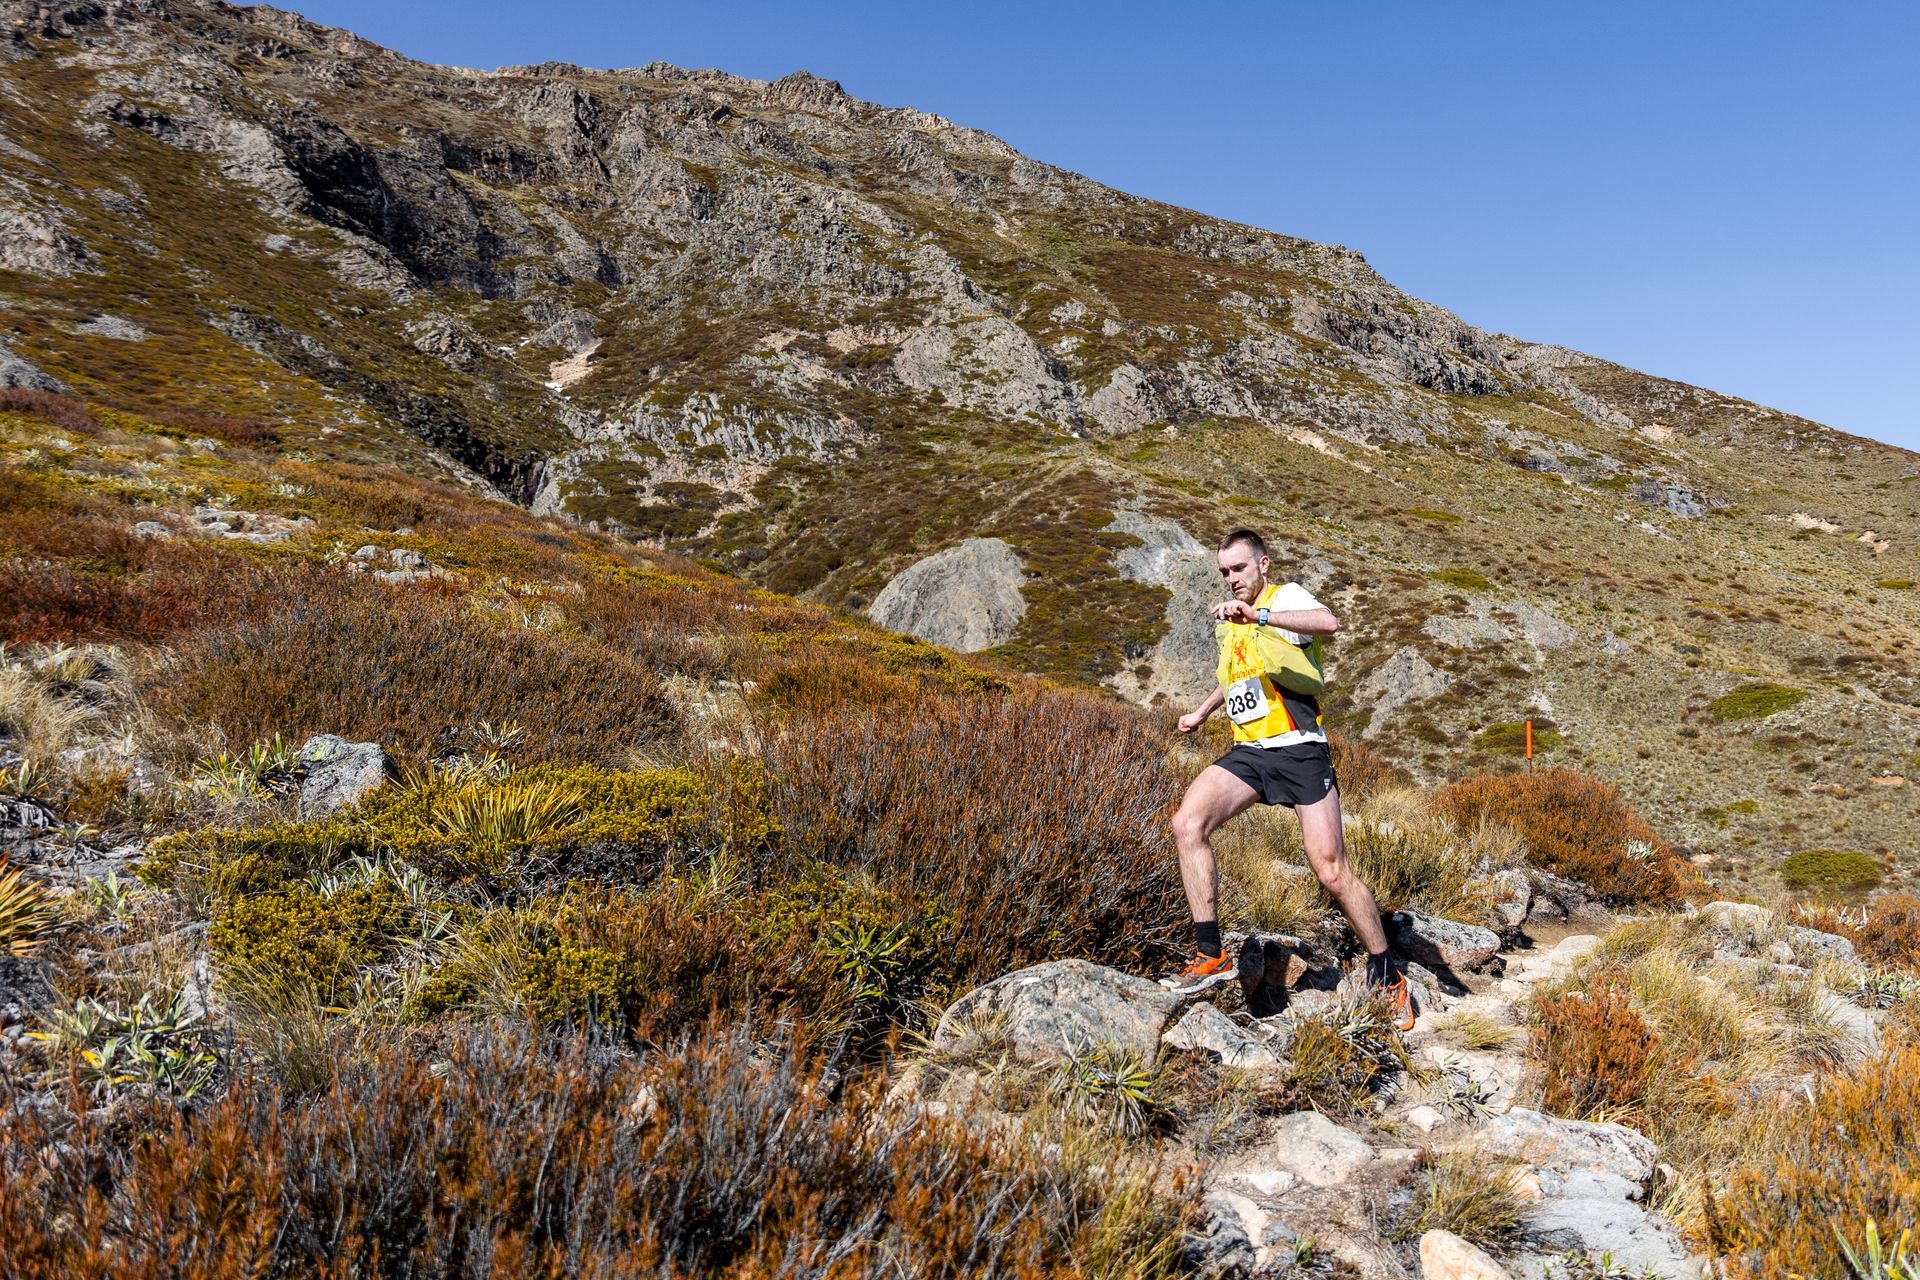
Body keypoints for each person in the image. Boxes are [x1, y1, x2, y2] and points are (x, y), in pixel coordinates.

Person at [1164, 528, 1414, 1030]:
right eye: (1224, 572)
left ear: (1262, 564)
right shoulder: (1231, 621)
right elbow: (1236, 675)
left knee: (1331, 871)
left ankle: (1387, 973)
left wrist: (1256, 614)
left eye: (1239, 568)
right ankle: (1209, 953)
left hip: (1300, 752)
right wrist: (1200, 713)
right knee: (1186, 825)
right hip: (1250, 752)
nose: (1231, 579)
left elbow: (1329, 623)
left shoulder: (1284, 598)